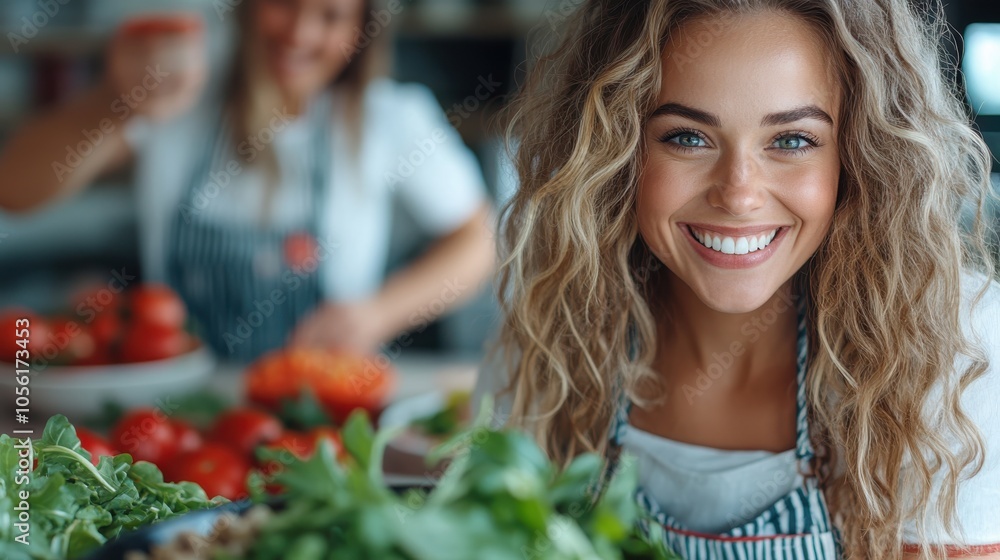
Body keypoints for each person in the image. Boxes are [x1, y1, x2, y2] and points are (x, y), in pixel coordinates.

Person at [475, 0, 1000, 558]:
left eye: (792, 140)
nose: (739, 193)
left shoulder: (957, 350)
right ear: (612, 150)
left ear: (860, 156)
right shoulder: (551, 334)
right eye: (687, 137)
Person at [0, 0, 495, 363]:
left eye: (331, 16)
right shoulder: (179, 101)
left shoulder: (390, 118)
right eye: (284, 5)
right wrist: (113, 99)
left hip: (321, 409)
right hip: (178, 411)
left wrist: (378, 314)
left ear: (363, 29)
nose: (300, 34)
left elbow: (478, 240)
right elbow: (14, 189)